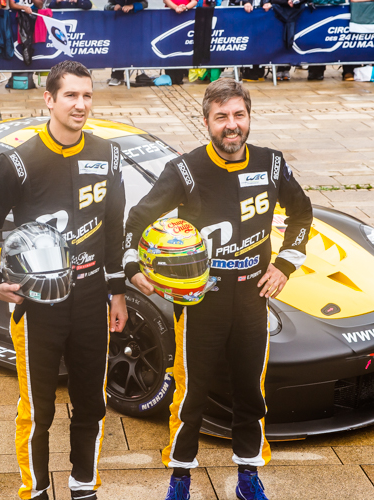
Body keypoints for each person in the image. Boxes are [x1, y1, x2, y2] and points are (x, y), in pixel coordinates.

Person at [123, 78, 313, 500]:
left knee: (250, 389)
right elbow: (136, 221)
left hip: (252, 298)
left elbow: (302, 213)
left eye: (239, 116)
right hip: (198, 301)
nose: (232, 125)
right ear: (206, 121)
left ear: (249, 118)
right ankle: (180, 476)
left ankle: (248, 472)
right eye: (222, 117)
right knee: (191, 393)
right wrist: (134, 267)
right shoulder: (186, 170)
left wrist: (285, 264)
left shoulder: (272, 163)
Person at [0, 60, 128, 500]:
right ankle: (37, 489)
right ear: (49, 99)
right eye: (71, 95)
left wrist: (116, 292)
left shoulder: (109, 154)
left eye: (87, 95)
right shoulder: (19, 163)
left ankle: (84, 485)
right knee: (37, 410)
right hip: (37, 306)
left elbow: (114, 229)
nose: (81, 105)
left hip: (89, 303)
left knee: (92, 402)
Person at [106, 0, 148, 85]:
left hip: (135, 23)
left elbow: (145, 4)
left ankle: (136, 74)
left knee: (132, 49)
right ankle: (117, 76)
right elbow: (107, 5)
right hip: (119, 23)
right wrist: (113, 7)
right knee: (118, 49)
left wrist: (132, 6)